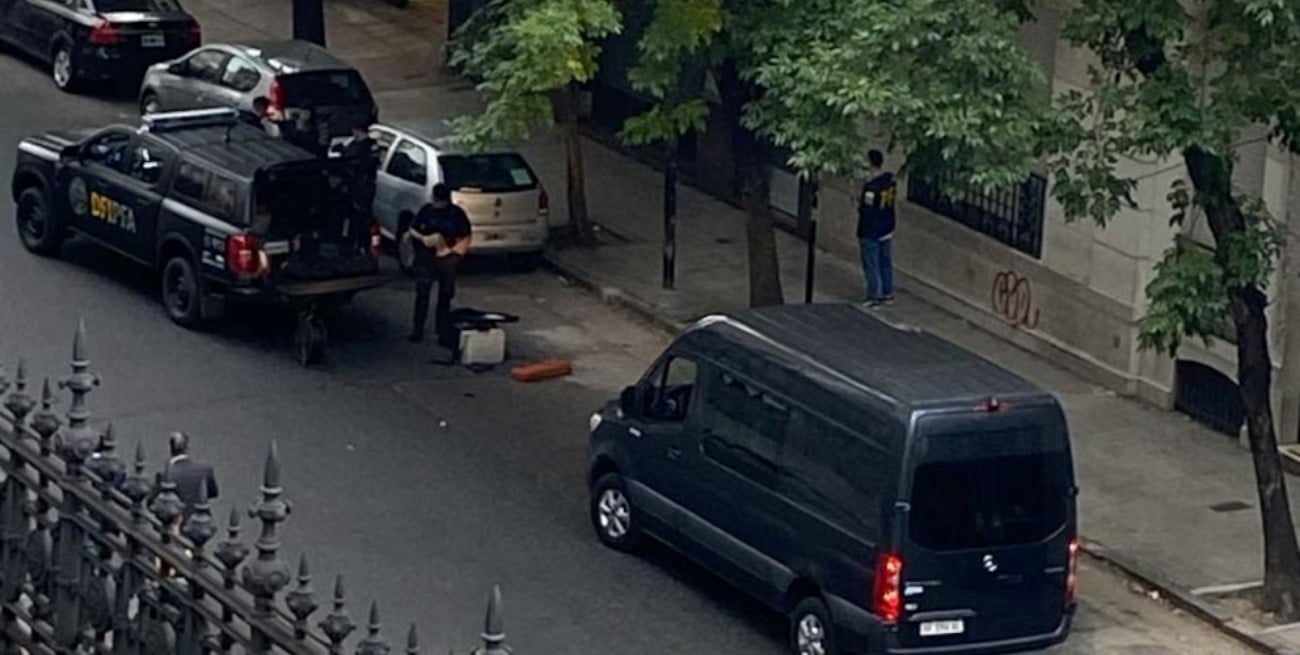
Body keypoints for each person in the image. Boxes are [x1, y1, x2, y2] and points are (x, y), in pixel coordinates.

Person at [408, 183, 472, 346]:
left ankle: (441, 329)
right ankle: (418, 329)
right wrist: (423, 239)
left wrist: (455, 254)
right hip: (425, 258)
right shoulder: (427, 211)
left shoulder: (456, 214)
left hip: (447, 258)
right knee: (422, 294)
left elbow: (465, 235)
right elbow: (413, 229)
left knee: (445, 295)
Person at [858, 149, 898, 306]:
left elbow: (866, 211)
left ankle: (874, 295)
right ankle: (888, 292)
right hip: (887, 227)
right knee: (885, 261)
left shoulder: (870, 188)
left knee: (871, 263)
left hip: (871, 230)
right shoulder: (890, 180)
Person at [165, 431, 219, 519]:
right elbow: (213, 493)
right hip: (202, 521)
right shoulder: (205, 469)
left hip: (175, 523)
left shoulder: (166, 475)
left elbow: (152, 502)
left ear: (170, 449)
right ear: (187, 447)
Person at [341, 119, 380, 227]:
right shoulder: (354, 144)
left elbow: (371, 163)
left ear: (358, 131)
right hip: (353, 184)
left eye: (354, 131)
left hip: (364, 184)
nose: (353, 133)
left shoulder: (370, 146)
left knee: (363, 213)